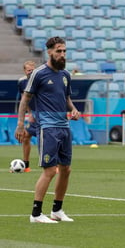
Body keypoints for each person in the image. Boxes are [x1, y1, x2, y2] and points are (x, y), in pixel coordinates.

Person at [15, 37, 80, 223]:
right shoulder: (39, 73)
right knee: (50, 170)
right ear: (49, 52)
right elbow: (25, 99)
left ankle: (57, 210)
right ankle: (36, 214)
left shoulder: (66, 75)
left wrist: (73, 110)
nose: (62, 54)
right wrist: (21, 124)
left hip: (64, 126)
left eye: (64, 51)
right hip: (48, 127)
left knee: (66, 169)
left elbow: (66, 99)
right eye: (59, 51)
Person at [17, 60, 37, 172]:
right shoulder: (21, 82)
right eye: (29, 70)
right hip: (34, 114)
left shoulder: (40, 81)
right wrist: (29, 113)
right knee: (25, 137)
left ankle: (56, 165)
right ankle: (26, 165)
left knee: (48, 139)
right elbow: (25, 100)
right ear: (25, 71)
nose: (30, 72)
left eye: (32, 70)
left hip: (43, 113)